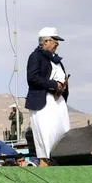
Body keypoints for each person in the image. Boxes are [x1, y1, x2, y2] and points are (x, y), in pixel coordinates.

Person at [26, 27, 71, 161]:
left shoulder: (55, 60)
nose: (57, 44)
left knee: (62, 132)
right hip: (44, 100)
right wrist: (53, 84)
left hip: (58, 100)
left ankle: (61, 159)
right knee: (48, 134)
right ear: (45, 41)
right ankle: (47, 160)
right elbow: (32, 78)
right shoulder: (36, 56)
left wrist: (62, 87)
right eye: (55, 41)